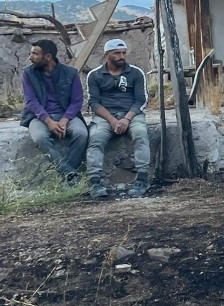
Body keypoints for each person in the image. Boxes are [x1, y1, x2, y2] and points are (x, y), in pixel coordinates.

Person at [85, 39, 151, 198]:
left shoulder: (135, 72)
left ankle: (143, 177)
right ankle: (94, 180)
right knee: (96, 138)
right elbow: (93, 102)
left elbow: (141, 100)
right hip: (105, 116)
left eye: (123, 52)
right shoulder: (94, 75)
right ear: (107, 54)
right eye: (117, 53)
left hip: (131, 114)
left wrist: (126, 119)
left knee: (141, 133)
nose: (121, 56)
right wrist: (112, 120)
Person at [19, 39, 88, 179]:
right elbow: (31, 101)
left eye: (34, 54)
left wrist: (64, 120)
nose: (30, 58)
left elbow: (77, 101)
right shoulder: (28, 73)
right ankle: (68, 172)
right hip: (38, 117)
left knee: (82, 134)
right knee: (40, 137)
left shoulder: (71, 73)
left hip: (67, 116)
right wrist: (48, 121)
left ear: (48, 57)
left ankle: (69, 173)